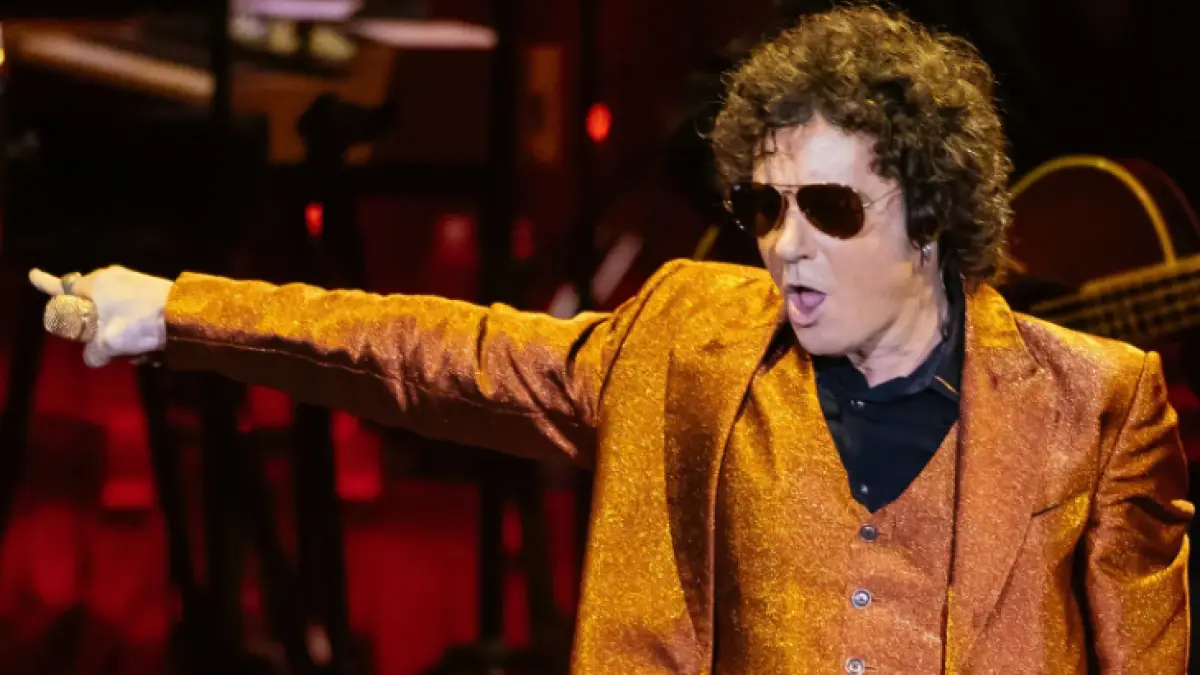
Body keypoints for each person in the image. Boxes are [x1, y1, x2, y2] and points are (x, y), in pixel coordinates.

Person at [30, 6, 1192, 673]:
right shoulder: (690, 339)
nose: (785, 246)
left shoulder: (1098, 402)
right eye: (765, 208)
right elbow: (429, 350)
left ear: (932, 216)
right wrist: (177, 308)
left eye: (832, 209)